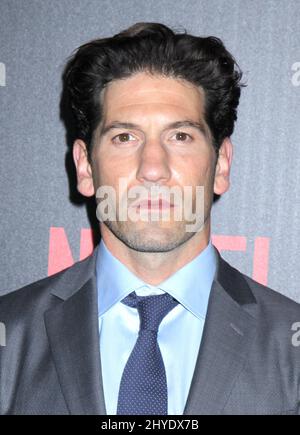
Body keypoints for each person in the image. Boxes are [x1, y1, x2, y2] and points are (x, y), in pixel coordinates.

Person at [0, 22, 299, 416]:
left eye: (180, 137)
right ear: (85, 167)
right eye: (125, 137)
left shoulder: (290, 349)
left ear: (221, 164)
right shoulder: (10, 338)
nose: (153, 169)